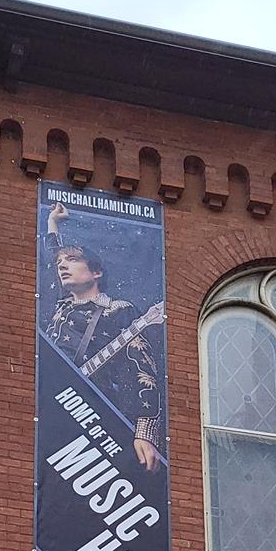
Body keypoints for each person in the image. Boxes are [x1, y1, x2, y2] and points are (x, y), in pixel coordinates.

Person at [43, 201, 164, 471]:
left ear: (96, 272)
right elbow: (51, 256)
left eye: (72, 260)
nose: (62, 266)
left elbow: (144, 370)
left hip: (91, 414)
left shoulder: (118, 310)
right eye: (60, 263)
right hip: (52, 409)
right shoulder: (63, 303)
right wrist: (53, 223)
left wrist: (145, 432)